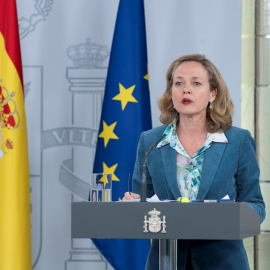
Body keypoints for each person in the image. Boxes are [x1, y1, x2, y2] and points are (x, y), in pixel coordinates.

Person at [123, 54, 265, 270]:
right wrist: (134, 203)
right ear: (171, 92)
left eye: (196, 83)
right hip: (166, 262)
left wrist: (229, 218)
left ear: (212, 93)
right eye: (178, 83)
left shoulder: (238, 141)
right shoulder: (150, 141)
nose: (185, 90)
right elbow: (142, 201)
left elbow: (256, 205)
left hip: (223, 263)